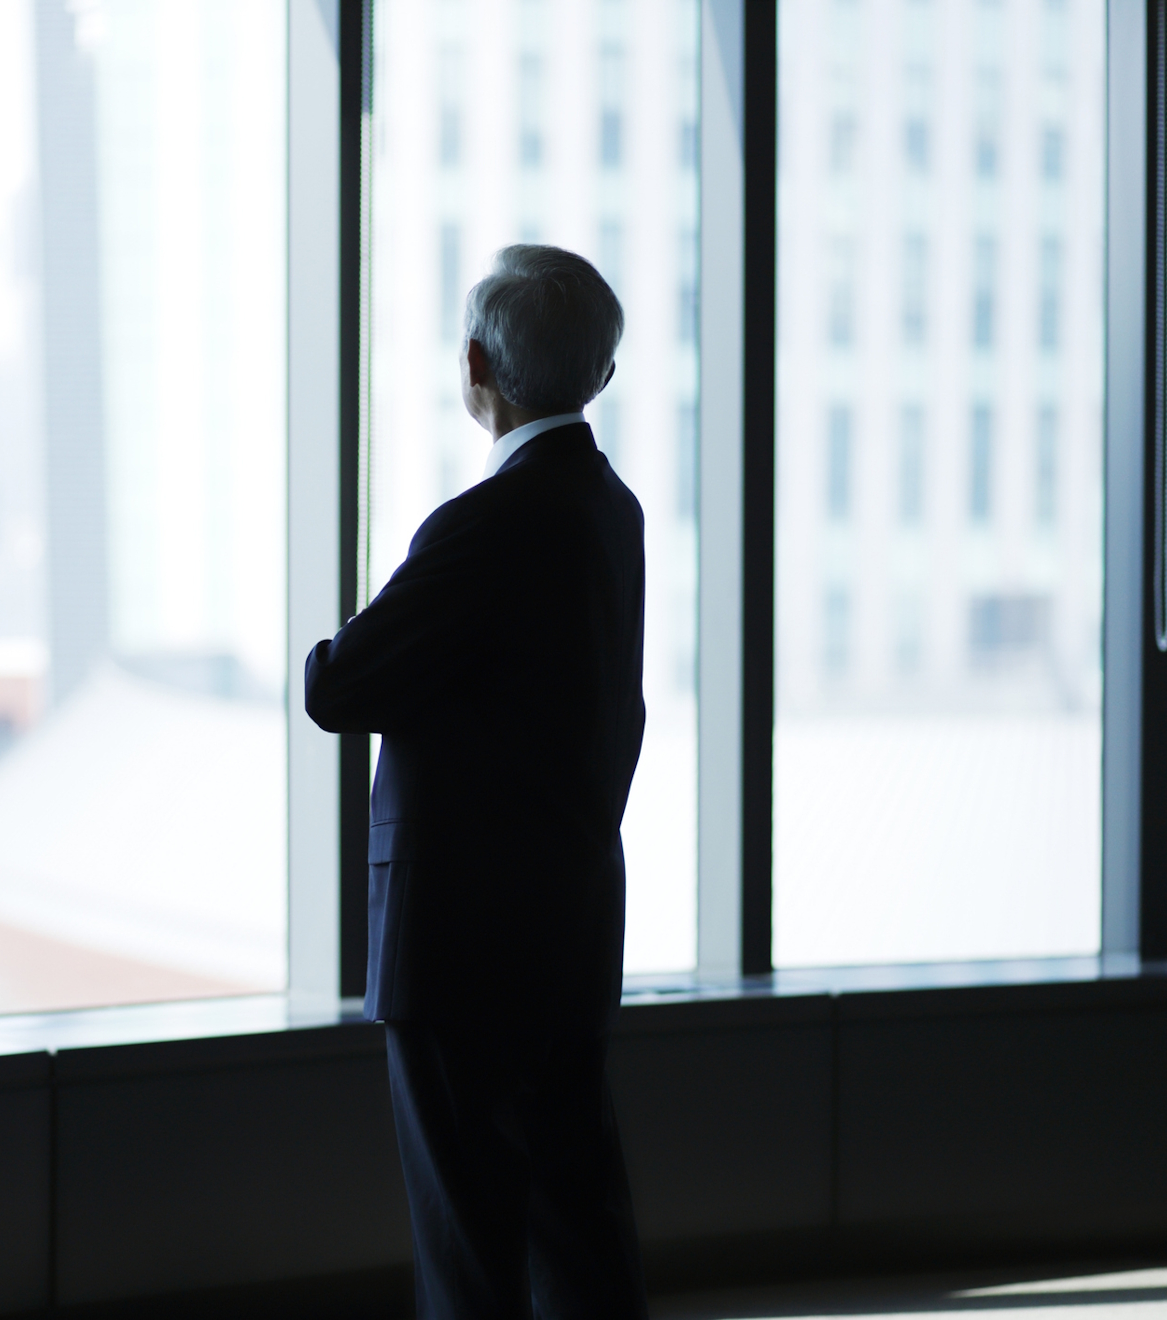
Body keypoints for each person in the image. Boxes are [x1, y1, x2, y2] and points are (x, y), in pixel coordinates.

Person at [305, 244, 648, 1320]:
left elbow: (337, 684)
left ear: (475, 365)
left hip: (459, 946)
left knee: (468, 1244)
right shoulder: (613, 509)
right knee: (578, 1228)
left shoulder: (484, 523)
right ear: (599, 373)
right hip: (570, 927)